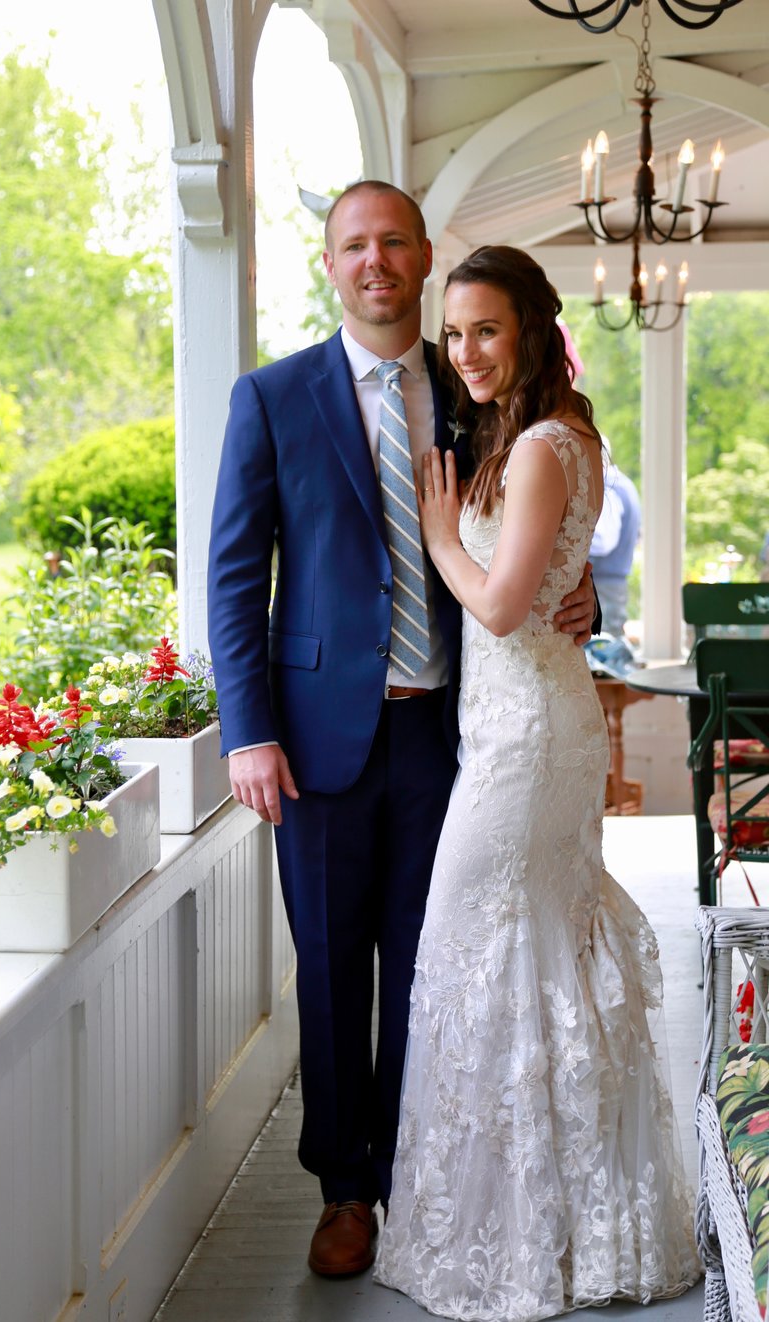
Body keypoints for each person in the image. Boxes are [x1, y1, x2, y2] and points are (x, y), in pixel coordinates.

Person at [207, 185, 598, 1279]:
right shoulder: (271, 397)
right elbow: (235, 577)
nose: (374, 261)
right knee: (330, 968)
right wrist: (247, 730)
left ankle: (419, 1168)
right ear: (329, 263)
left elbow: (542, 513)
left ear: (424, 255)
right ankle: (344, 1187)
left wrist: (584, 599)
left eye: (392, 242)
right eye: (353, 246)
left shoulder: (477, 380)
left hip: (452, 740)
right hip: (318, 739)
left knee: (435, 968)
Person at [374, 246, 699, 1318]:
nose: (464, 351)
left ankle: (521, 1237)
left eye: (485, 330)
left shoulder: (545, 445)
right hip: (521, 726)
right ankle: (557, 1220)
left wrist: (435, 534)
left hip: (527, 744)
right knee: (528, 952)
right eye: (453, 332)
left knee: (486, 945)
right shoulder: (534, 436)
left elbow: (506, 602)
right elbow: (556, 579)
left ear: (528, 333)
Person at [589, 450, 641, 638]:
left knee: (605, 643)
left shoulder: (608, 485)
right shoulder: (624, 484)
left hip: (603, 584)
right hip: (612, 582)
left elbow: (603, 542)